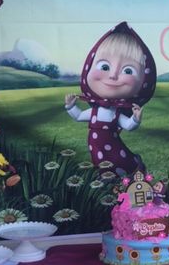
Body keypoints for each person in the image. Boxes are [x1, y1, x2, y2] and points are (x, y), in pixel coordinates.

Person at [64, 21, 156, 173]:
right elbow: (79, 116)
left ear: (143, 81)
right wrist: (70, 106)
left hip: (114, 148)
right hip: (96, 148)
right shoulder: (95, 112)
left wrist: (135, 119)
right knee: (100, 167)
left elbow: (127, 126)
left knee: (120, 164)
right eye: (104, 67)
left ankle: (131, 174)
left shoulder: (115, 113)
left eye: (128, 71)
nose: (113, 75)